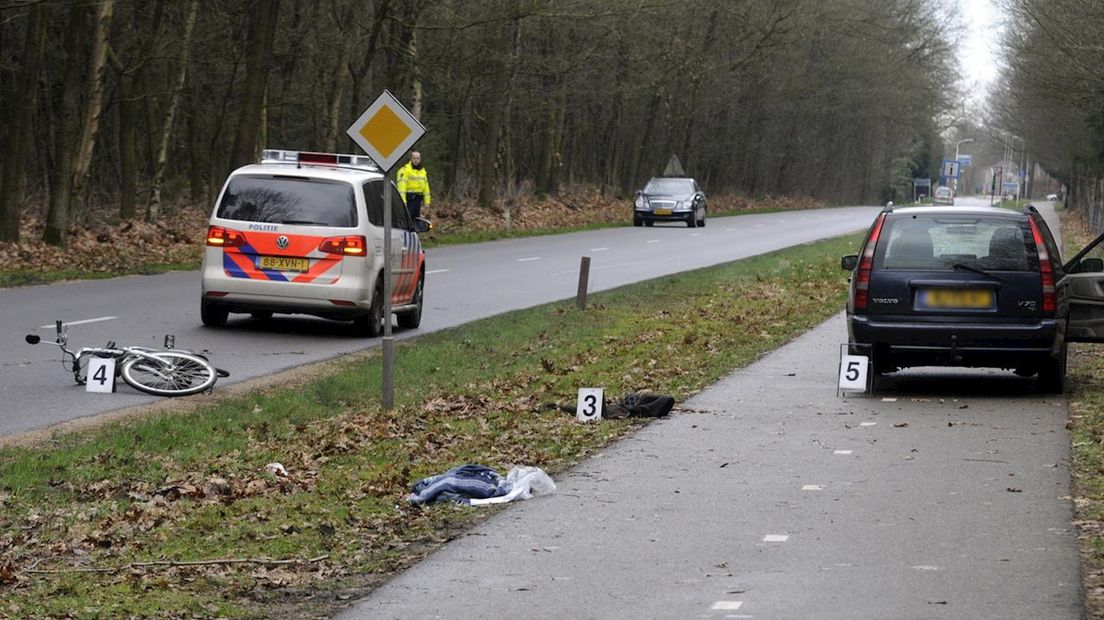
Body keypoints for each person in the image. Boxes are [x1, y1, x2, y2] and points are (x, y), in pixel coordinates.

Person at [396, 151, 431, 220]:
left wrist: (427, 202)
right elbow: (401, 188)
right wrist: (403, 202)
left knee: (416, 220)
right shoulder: (405, 170)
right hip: (409, 199)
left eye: (417, 158)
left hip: (418, 200)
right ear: (411, 159)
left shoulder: (422, 171)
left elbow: (426, 188)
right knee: (407, 220)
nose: (416, 160)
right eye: (414, 158)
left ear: (420, 159)